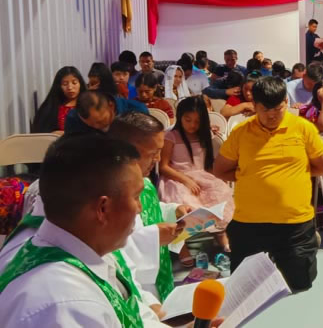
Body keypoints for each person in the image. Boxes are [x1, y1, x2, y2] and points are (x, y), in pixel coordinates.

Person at [0, 136, 183, 327]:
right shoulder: (67, 306)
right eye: (136, 197)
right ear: (103, 209)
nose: (140, 209)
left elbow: (126, 310)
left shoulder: (78, 246)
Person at [210, 76, 323, 291]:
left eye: (278, 108)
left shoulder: (303, 128)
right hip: (250, 223)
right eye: (265, 109)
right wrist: (252, 176)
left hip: (295, 223)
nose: (272, 115)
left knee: (299, 284)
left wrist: (296, 172)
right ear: (254, 105)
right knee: (247, 288)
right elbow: (220, 170)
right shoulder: (241, 132)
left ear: (286, 102)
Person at [106, 113, 188, 305]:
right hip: (138, 291)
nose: (158, 159)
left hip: (157, 283)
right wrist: (153, 236)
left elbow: (148, 213)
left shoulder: (145, 182)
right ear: (126, 149)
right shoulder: (108, 190)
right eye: (153, 153)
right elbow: (111, 253)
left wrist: (173, 210)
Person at [159, 96, 234, 254]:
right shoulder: (171, 136)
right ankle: (181, 247)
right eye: (188, 120)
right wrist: (185, 180)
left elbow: (207, 163)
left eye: (197, 122)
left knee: (220, 195)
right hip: (177, 178)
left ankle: (221, 234)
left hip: (201, 176)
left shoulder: (204, 135)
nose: (192, 125)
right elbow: (163, 166)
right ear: (180, 116)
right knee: (184, 202)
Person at [64, 91, 148, 136]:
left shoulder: (137, 111)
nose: (97, 127)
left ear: (111, 105)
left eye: (100, 121)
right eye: (90, 125)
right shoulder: (73, 118)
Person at [31, 66, 86, 133]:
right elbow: (40, 131)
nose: (70, 87)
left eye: (74, 83)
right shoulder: (50, 107)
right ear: (59, 86)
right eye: (65, 84)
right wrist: (52, 134)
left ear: (80, 84)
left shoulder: (89, 105)